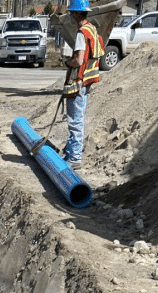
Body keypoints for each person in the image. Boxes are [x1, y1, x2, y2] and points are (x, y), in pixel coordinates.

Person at [62, 0, 104, 170]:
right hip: (88, 80)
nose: (71, 16)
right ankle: (71, 152)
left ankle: (75, 158)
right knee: (78, 118)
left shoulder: (81, 33)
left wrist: (68, 63)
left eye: (72, 13)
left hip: (79, 81)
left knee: (75, 120)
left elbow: (79, 60)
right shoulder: (92, 30)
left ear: (77, 14)